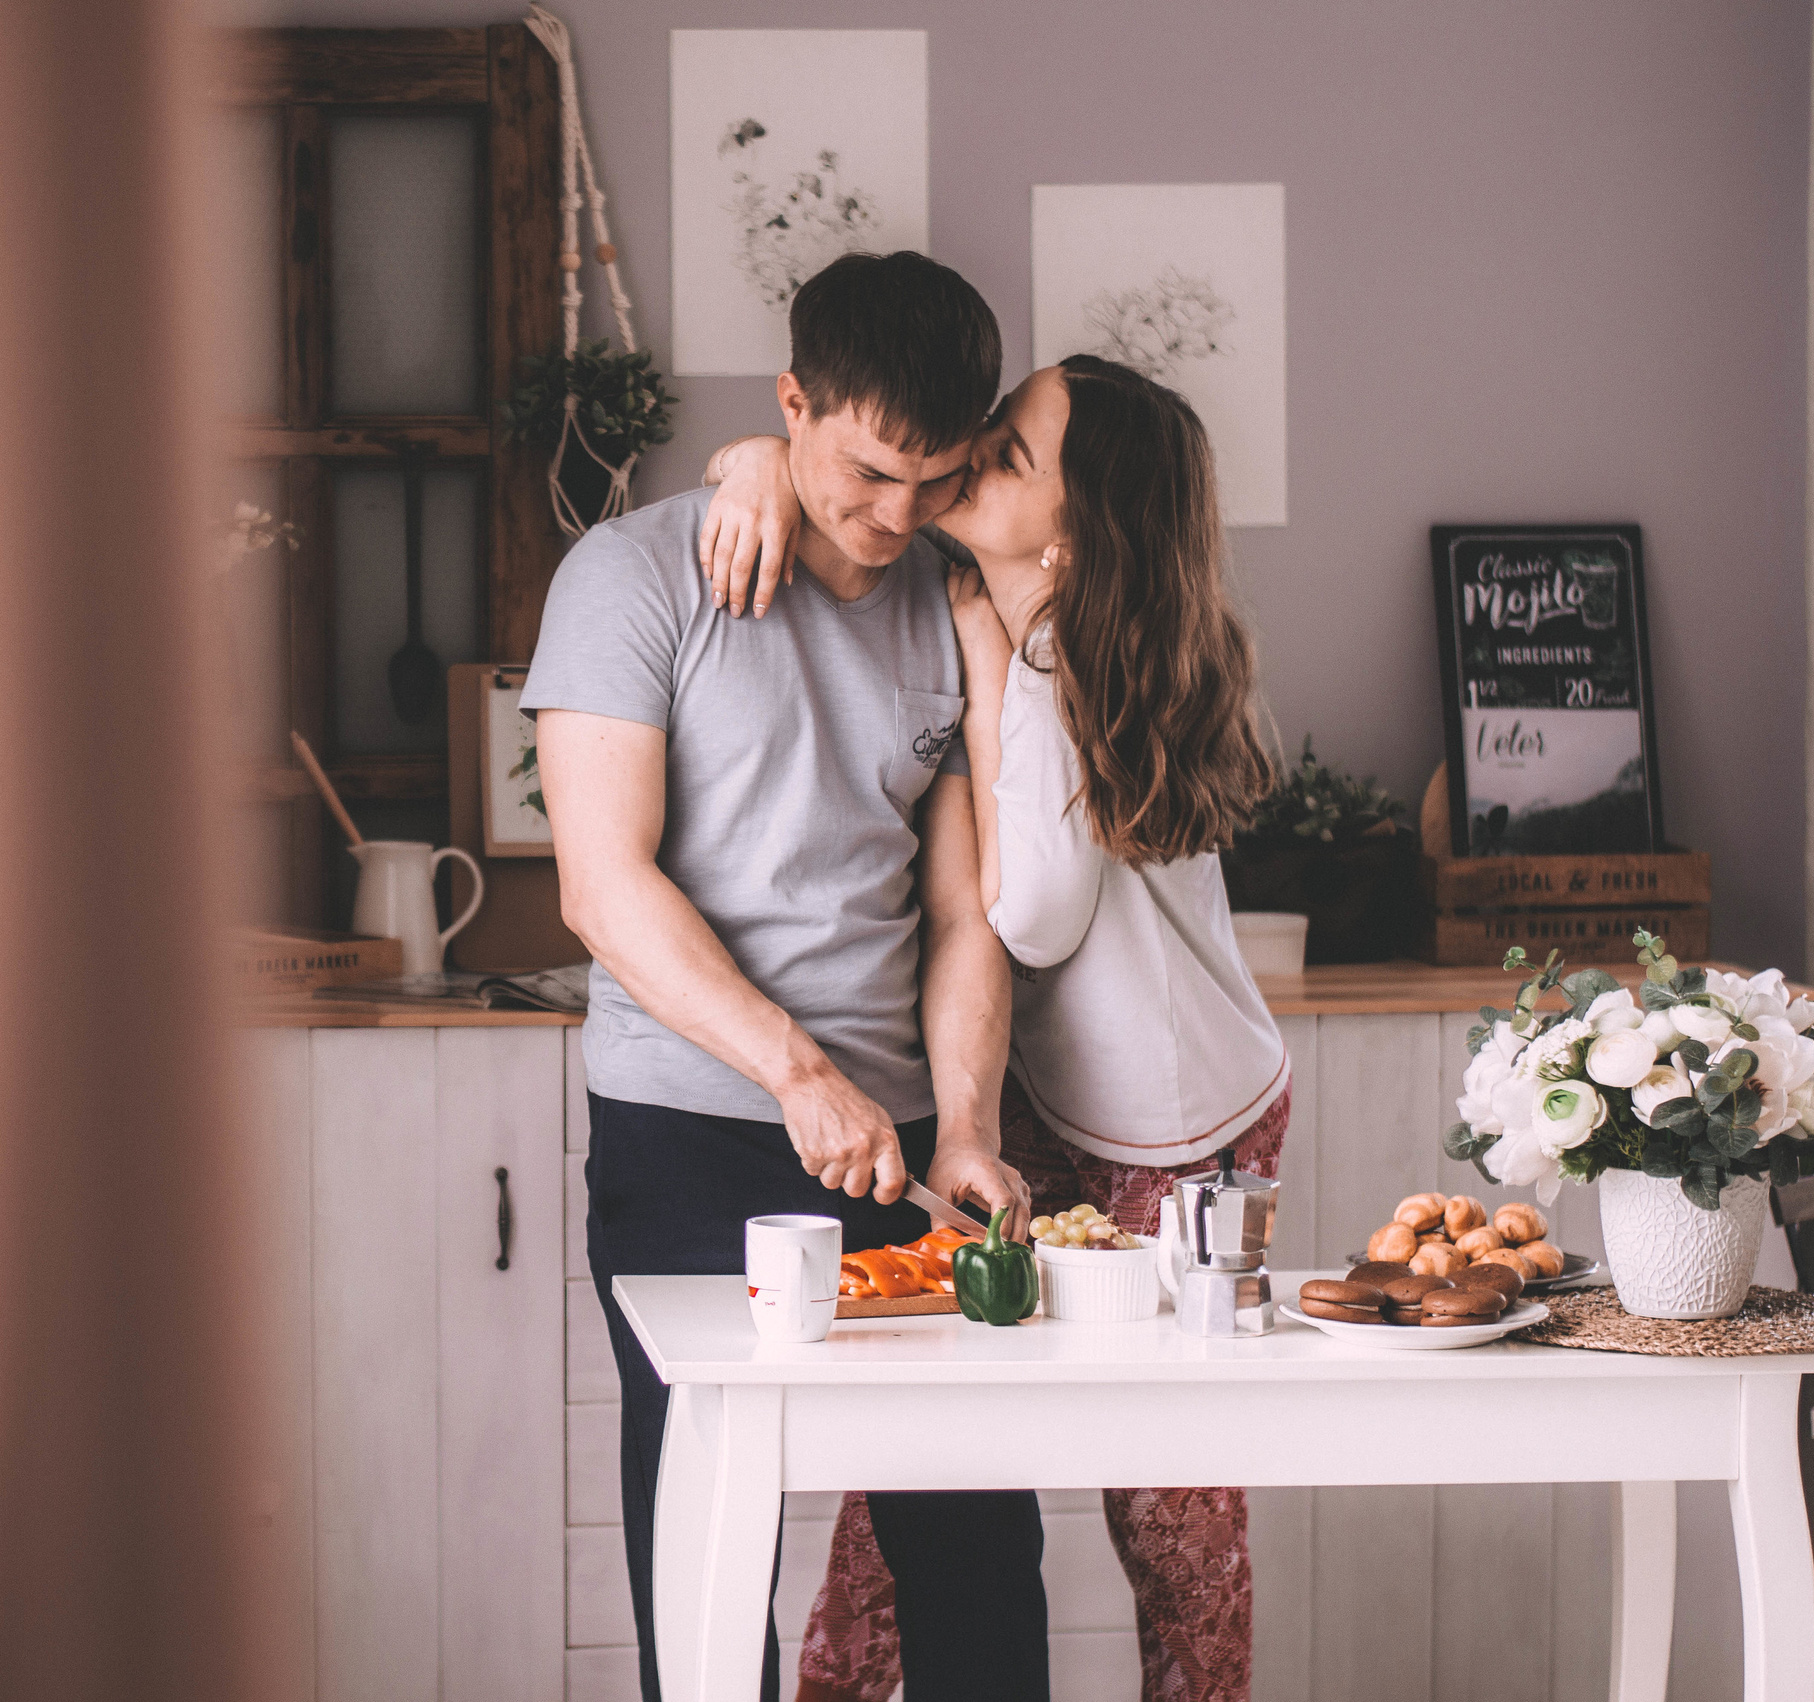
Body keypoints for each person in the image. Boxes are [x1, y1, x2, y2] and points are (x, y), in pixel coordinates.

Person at [702, 354, 1289, 1702]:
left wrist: (988, 669)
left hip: (1182, 1127)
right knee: (909, 1449)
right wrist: (744, 462)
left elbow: (1028, 917)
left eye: (1009, 454)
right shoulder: (976, 586)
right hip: (1038, 1100)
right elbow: (818, 457)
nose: (970, 455)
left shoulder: (1049, 655)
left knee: (1174, 1510)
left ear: (1073, 539)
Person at [522, 250, 1051, 1702]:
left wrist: (975, 1127)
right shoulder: (630, 577)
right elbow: (602, 883)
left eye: (934, 481)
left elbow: (963, 916)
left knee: (978, 1554)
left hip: (902, 1143)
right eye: (871, 471)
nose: (897, 519)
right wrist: (796, 1069)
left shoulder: (951, 609)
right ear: (793, 405)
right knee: (708, 1535)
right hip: (687, 1129)